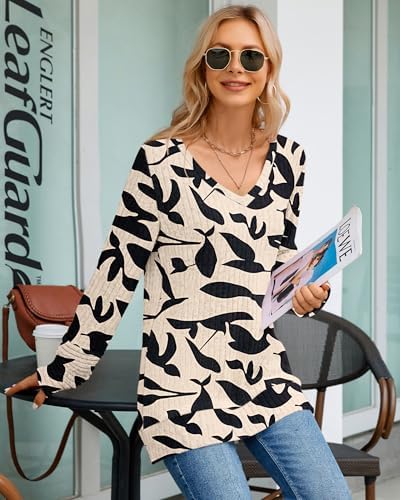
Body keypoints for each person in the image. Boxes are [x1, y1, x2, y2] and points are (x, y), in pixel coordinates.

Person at [5, 5, 351, 499]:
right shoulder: (160, 161)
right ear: (202, 67)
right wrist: (65, 366)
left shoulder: (289, 161)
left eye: (251, 57)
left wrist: (305, 292)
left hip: (262, 372)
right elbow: (116, 273)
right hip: (181, 386)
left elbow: (274, 257)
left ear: (269, 69)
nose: (236, 68)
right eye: (220, 55)